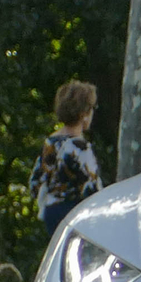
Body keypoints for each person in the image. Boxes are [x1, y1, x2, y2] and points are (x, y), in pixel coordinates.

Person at [30, 80, 103, 240]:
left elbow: (35, 182)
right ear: (83, 114)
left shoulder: (51, 142)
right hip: (75, 214)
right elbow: (92, 187)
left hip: (51, 213)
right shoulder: (80, 146)